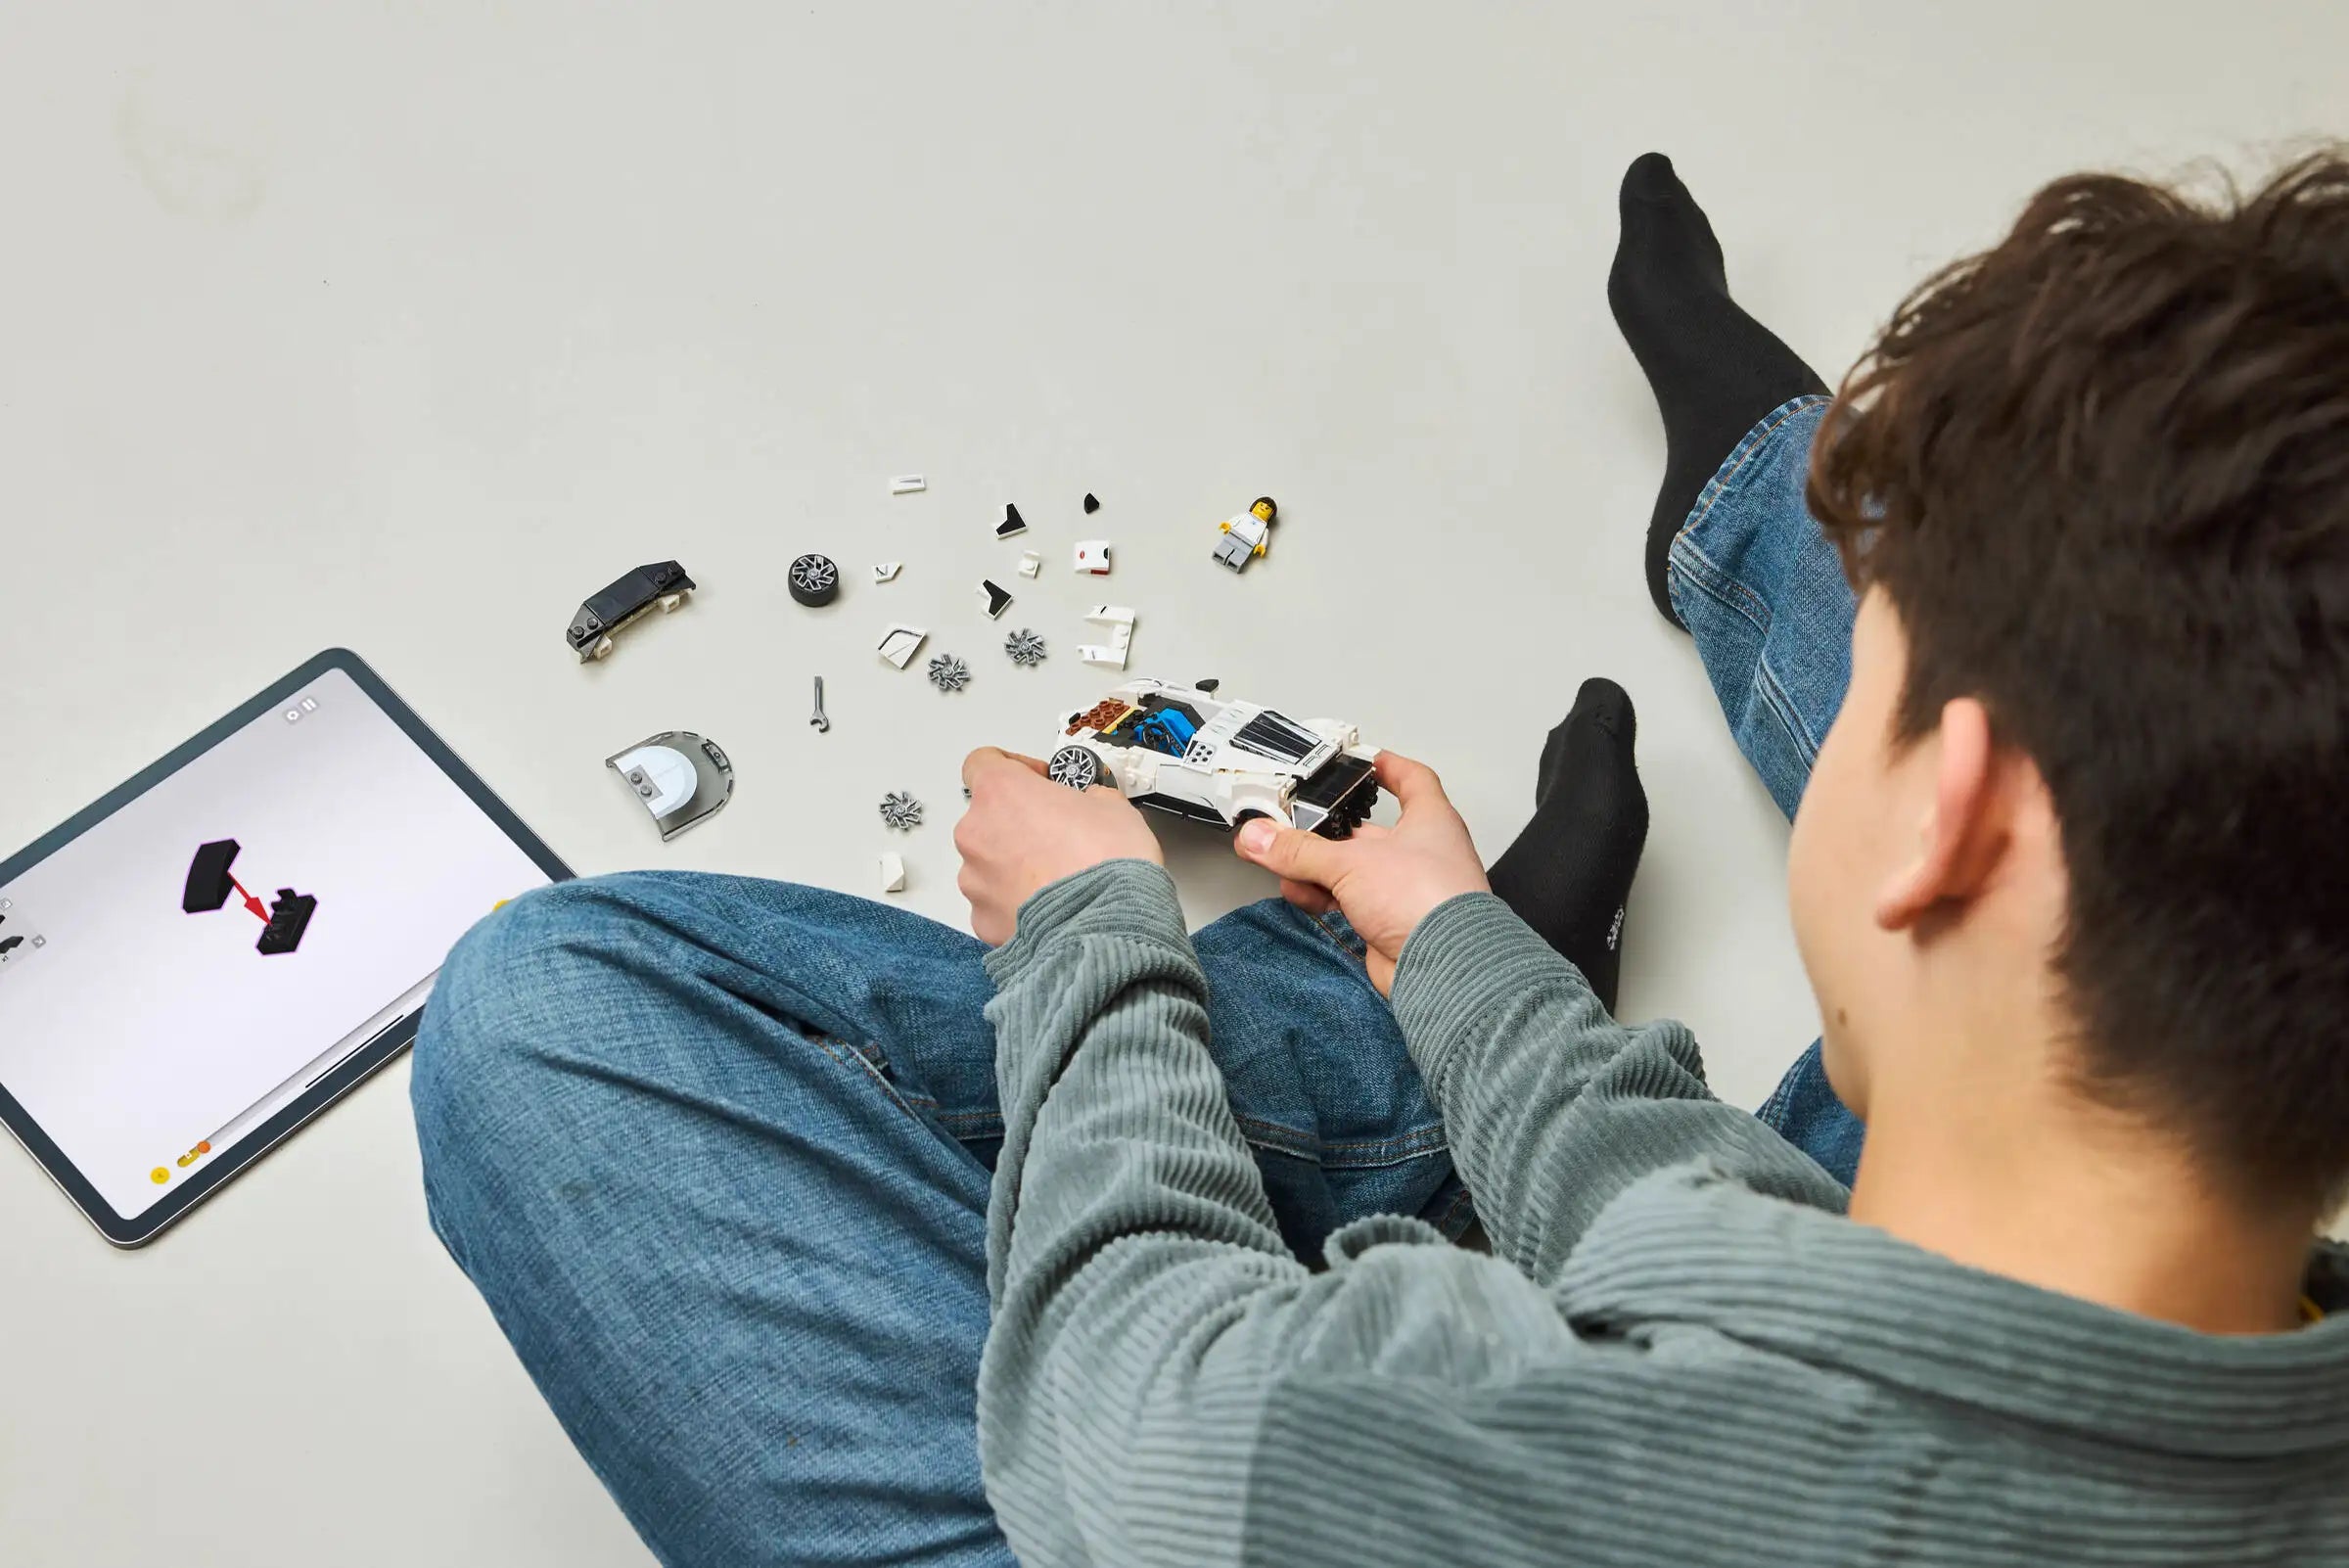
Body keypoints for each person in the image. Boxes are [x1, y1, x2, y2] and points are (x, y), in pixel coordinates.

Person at [411, 150, 2349, 1566]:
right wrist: (1463, 947)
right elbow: (1793, 1275)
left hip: (1231, 1463)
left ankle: (1352, 1068)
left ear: (1946, 820)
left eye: (1873, 703)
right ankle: (1734, 516)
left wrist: (1097, 941)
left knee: (539, 1015)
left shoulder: (1456, 1426)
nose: (1857, 731)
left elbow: (1143, 1398)